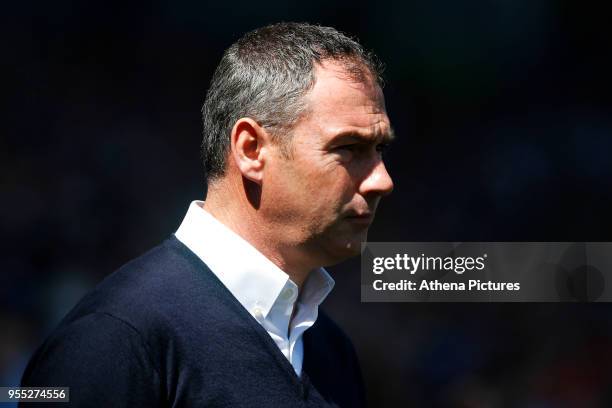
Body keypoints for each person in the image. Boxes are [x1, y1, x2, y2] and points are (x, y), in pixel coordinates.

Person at [20, 22, 394, 407]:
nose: (382, 180)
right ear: (251, 150)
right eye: (348, 147)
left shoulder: (332, 353)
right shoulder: (114, 338)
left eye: (380, 149)